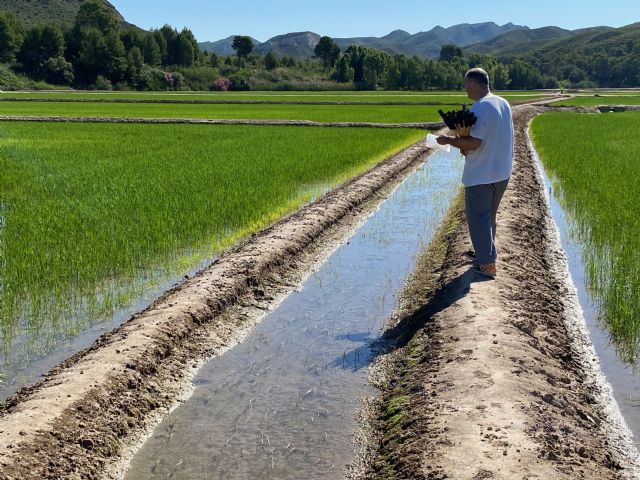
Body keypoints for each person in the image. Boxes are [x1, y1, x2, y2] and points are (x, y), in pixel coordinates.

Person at [436, 68, 514, 279]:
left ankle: (487, 264)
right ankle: (485, 253)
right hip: (502, 172)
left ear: (474, 84)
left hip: (482, 174)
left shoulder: (480, 108)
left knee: (478, 218)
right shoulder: (502, 103)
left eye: (466, 85)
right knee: (489, 216)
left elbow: (475, 142)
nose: (465, 89)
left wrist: (449, 140)